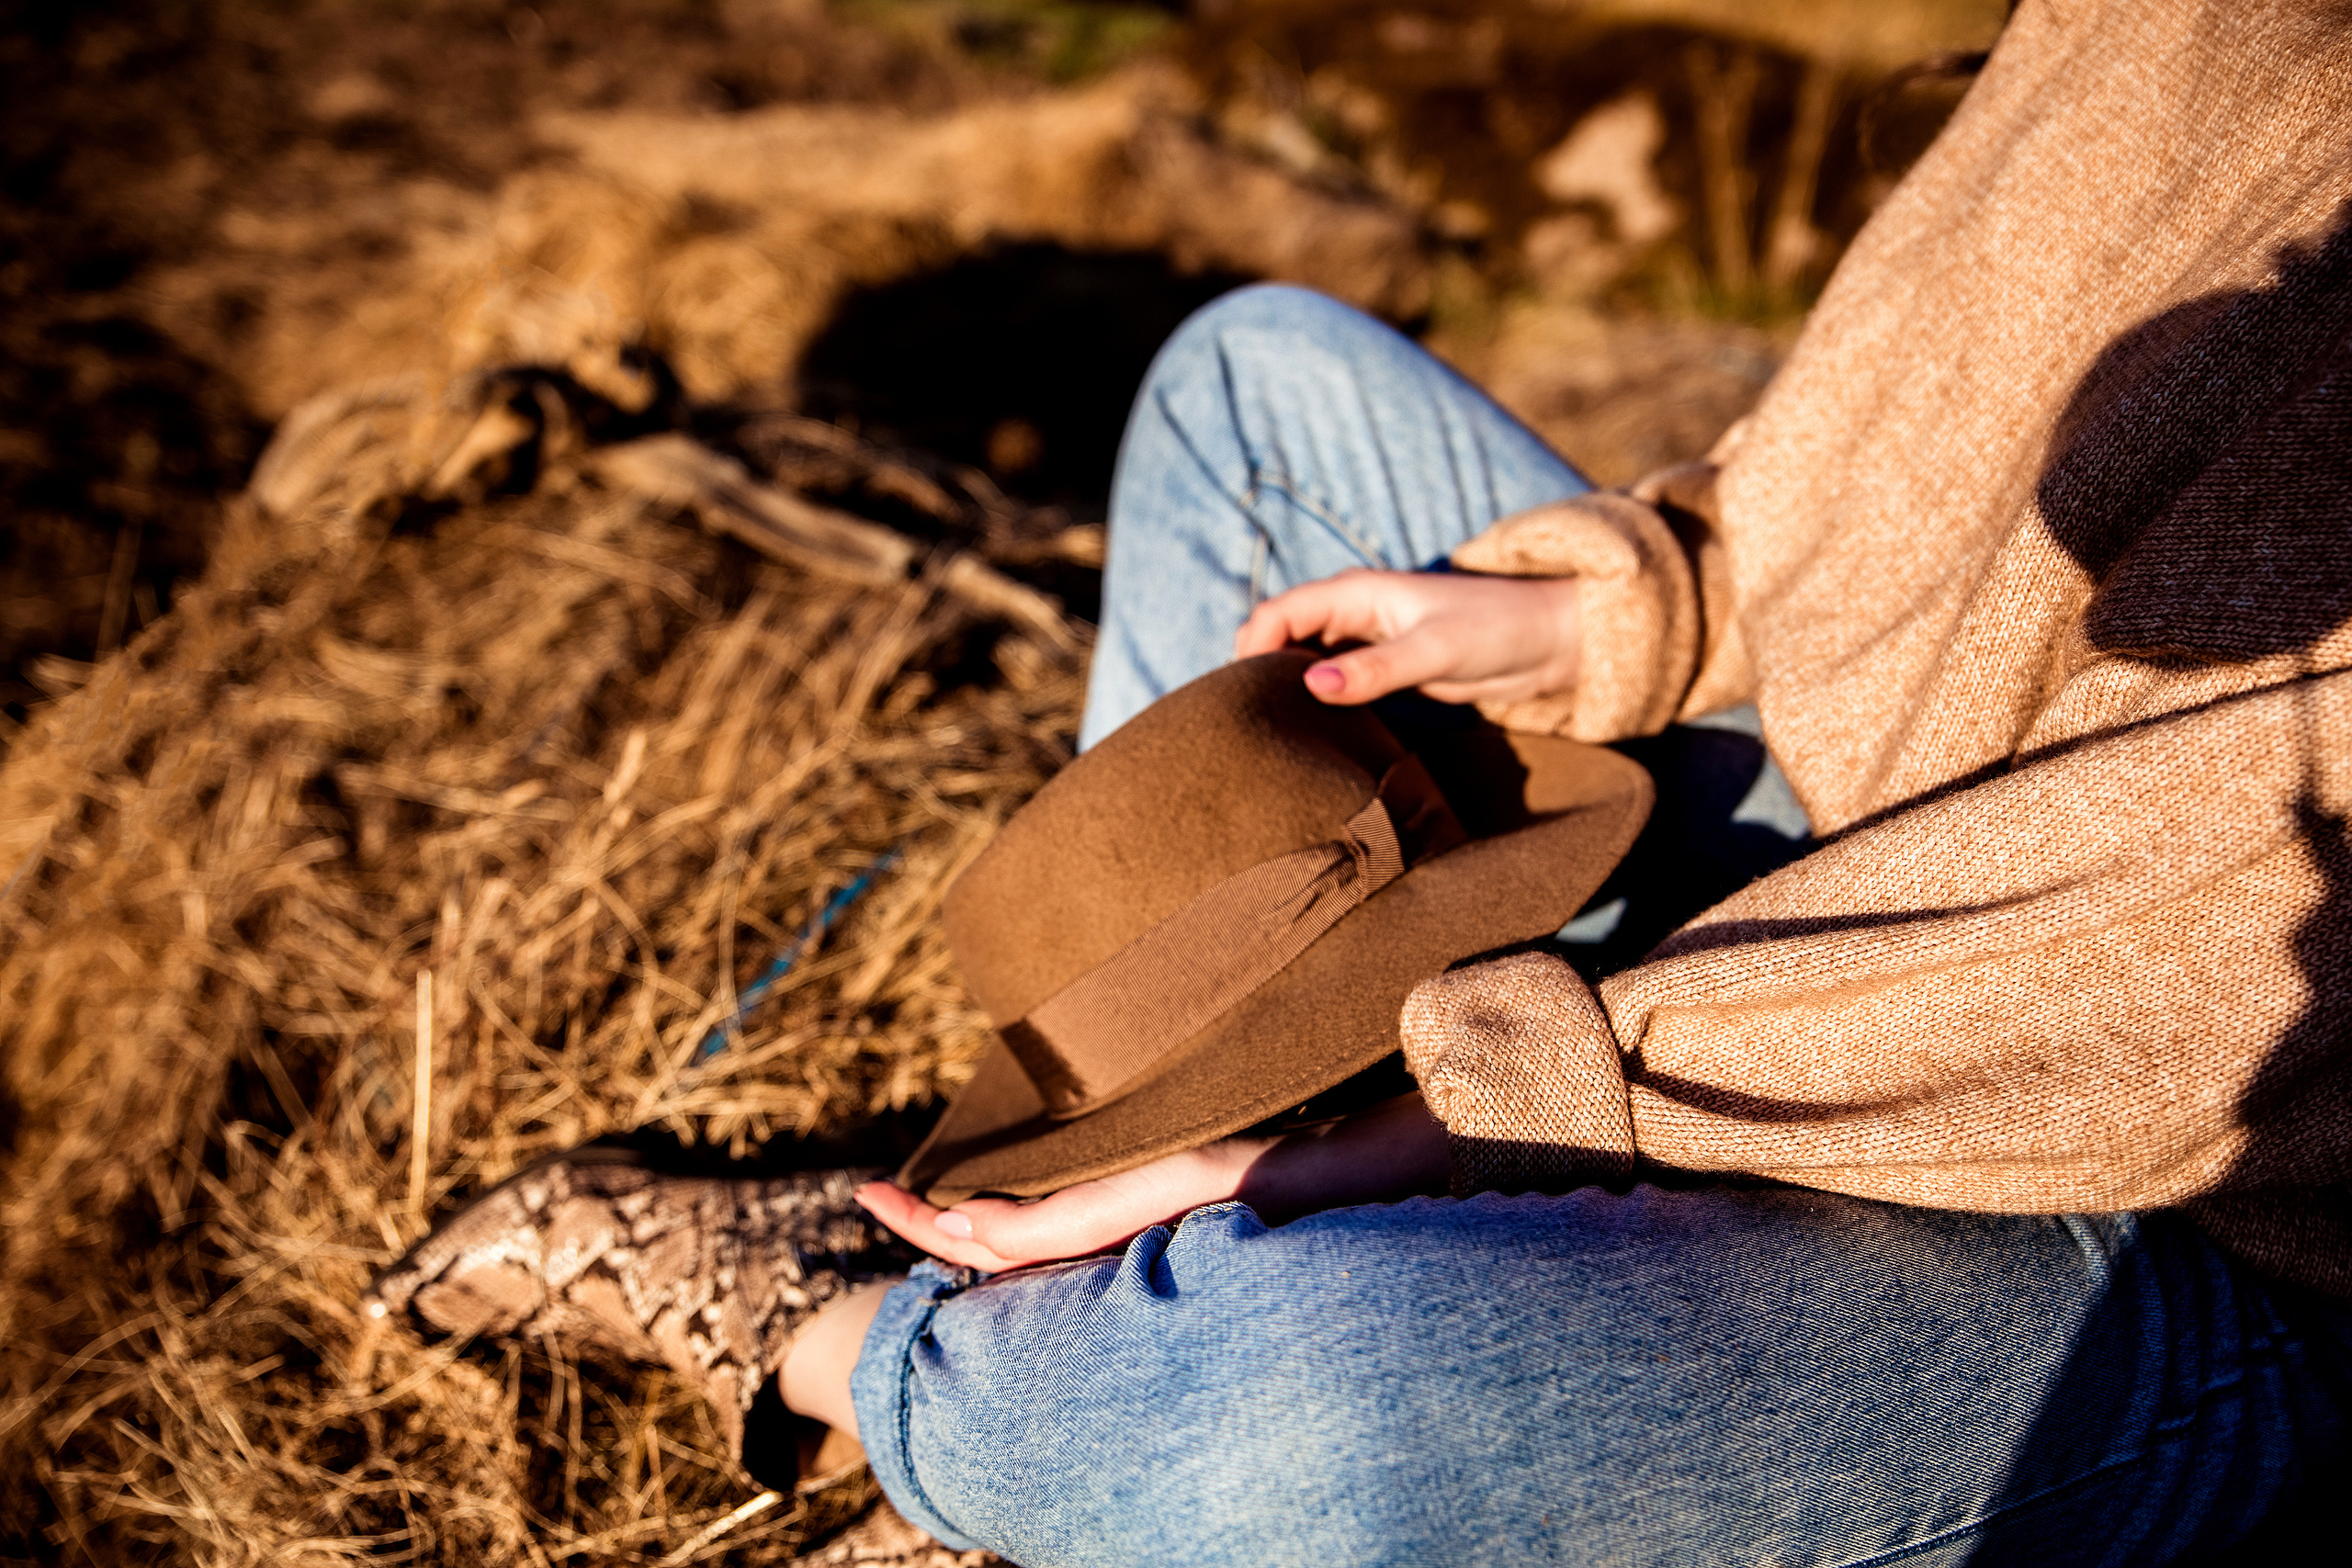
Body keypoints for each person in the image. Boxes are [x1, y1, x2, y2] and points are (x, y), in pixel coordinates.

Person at [369, 0, 2352, 1560]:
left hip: (2186, 1179)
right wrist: (1630, 604)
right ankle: (1141, 1187)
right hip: (1860, 814)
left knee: (1327, 1413)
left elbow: (2184, 960)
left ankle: (864, 1345)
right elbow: (1935, 426)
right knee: (1252, 395)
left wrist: (1391, 1146)